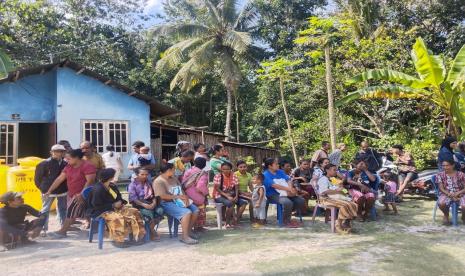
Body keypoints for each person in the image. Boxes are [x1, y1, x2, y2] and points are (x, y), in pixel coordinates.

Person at [87, 168, 146, 248]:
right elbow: (96, 205)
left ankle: (137, 237)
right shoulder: (98, 189)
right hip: (99, 211)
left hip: (115, 208)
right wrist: (113, 205)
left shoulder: (112, 186)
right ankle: (118, 241)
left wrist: (121, 202)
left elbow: (119, 198)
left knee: (135, 212)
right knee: (117, 217)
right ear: (111, 177)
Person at [45, 149, 96, 238]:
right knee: (81, 211)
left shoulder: (87, 166)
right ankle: (94, 227)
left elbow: (90, 181)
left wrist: (81, 194)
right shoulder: (69, 167)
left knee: (71, 211)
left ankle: (62, 231)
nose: (66, 161)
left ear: (76, 158)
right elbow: (59, 179)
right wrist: (49, 191)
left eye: (68, 159)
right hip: (73, 193)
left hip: (85, 194)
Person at [153, 163, 199, 245]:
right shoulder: (158, 181)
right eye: (174, 169)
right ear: (169, 170)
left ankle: (187, 232)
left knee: (195, 210)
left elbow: (181, 190)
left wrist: (185, 197)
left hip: (178, 200)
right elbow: (162, 196)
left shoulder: (174, 178)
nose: (175, 171)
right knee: (187, 212)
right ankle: (185, 237)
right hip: (166, 203)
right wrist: (178, 197)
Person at [34, 144, 68, 236]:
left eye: (61, 151)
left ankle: (63, 228)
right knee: (45, 210)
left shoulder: (66, 163)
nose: (59, 153)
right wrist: (43, 189)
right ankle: (42, 229)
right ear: (51, 152)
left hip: (62, 190)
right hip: (47, 191)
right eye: (56, 151)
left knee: (63, 209)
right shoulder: (44, 163)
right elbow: (37, 179)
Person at [263, 158, 305, 228]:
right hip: (272, 194)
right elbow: (274, 185)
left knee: (301, 200)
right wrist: (289, 189)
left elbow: (288, 180)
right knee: (287, 202)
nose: (278, 165)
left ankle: (285, 216)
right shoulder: (265, 174)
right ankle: (285, 221)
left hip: (286, 192)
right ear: (270, 166)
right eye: (276, 164)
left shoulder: (280, 171)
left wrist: (290, 189)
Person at [317, 164, 358, 233]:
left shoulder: (333, 179)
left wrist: (340, 186)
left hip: (334, 197)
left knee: (353, 204)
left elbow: (341, 186)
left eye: (337, 170)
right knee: (345, 205)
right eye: (334, 170)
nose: (336, 172)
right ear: (327, 170)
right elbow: (324, 191)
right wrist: (337, 190)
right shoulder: (323, 179)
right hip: (325, 199)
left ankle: (346, 222)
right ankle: (338, 225)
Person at [128, 168, 162, 241]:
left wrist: (154, 203)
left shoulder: (149, 183)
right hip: (139, 205)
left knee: (160, 210)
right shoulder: (132, 185)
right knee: (148, 213)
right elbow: (134, 199)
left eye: (146, 174)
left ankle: (150, 229)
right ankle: (152, 232)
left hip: (150, 202)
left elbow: (154, 195)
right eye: (142, 174)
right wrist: (144, 205)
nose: (144, 176)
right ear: (137, 175)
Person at [213, 162, 248, 228]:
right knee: (230, 203)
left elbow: (236, 187)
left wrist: (236, 196)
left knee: (244, 203)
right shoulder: (218, 176)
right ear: (221, 169)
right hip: (219, 195)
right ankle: (227, 222)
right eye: (224, 169)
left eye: (228, 169)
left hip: (232, 194)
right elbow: (217, 189)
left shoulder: (234, 175)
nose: (225, 171)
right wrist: (227, 196)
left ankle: (236, 220)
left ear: (231, 169)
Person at [182, 157, 209, 232]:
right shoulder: (202, 173)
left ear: (194, 163)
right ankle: (198, 227)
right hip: (197, 196)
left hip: (186, 194)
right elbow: (200, 187)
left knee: (191, 211)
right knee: (200, 210)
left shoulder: (188, 170)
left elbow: (183, 182)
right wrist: (206, 193)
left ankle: (189, 227)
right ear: (204, 165)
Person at [436, 159, 465, 225]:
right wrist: (449, 194)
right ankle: (446, 215)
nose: (445, 167)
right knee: (441, 203)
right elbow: (441, 188)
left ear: (453, 165)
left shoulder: (461, 174)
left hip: (460, 193)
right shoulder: (440, 175)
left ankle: (463, 217)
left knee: (464, 205)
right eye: (443, 166)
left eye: (447, 165)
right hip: (446, 193)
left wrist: (457, 193)